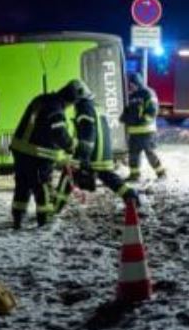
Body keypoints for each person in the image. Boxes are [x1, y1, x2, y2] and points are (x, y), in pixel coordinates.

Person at [8, 79, 86, 229]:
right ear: (71, 100)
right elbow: (59, 132)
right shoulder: (56, 108)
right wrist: (71, 145)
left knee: (22, 184)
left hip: (20, 149)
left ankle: (18, 217)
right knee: (42, 185)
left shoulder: (43, 99)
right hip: (37, 153)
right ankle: (44, 219)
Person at [53, 93, 139, 215]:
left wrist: (83, 158)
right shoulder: (95, 106)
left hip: (93, 154)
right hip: (103, 153)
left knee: (68, 174)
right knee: (109, 178)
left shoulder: (83, 107)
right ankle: (130, 195)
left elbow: (88, 133)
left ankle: (54, 208)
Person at [120, 72, 165, 182]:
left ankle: (161, 174)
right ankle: (134, 175)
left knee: (150, 153)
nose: (131, 87)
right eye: (130, 85)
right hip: (134, 132)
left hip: (147, 132)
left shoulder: (148, 93)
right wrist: (123, 118)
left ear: (137, 83)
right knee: (133, 155)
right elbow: (127, 111)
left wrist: (142, 120)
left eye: (132, 84)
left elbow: (153, 111)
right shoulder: (131, 96)